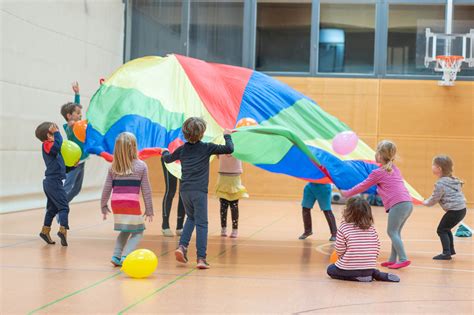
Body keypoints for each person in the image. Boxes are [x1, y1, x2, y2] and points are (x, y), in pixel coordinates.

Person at [162, 117, 233, 269]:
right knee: (202, 223)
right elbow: (229, 149)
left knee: (191, 218)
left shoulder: (182, 149)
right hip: (199, 192)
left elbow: (167, 159)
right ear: (202, 133)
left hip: (185, 191)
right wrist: (227, 135)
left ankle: (182, 247)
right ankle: (201, 258)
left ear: (184, 133)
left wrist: (165, 151)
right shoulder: (207, 147)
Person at [342, 140, 413, 269]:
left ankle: (403, 259)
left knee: (392, 232)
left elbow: (363, 185)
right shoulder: (395, 169)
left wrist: (347, 193)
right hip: (407, 203)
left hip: (398, 204)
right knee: (396, 232)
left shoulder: (378, 172)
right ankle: (393, 259)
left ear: (380, 155)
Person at [101, 132, 154, 266]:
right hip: (131, 204)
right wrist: (149, 209)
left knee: (125, 230)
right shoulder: (141, 166)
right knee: (138, 232)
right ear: (134, 147)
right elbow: (146, 190)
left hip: (116, 203)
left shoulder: (113, 167)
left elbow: (107, 188)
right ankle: (126, 256)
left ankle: (116, 256)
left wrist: (103, 205)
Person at [327, 197, 400, 283]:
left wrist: (341, 258)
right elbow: (376, 247)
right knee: (369, 270)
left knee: (330, 269)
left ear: (347, 212)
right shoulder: (371, 228)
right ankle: (375, 274)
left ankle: (357, 277)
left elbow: (340, 249)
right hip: (369, 267)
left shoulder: (344, 227)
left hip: (349, 268)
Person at [423, 155, 467, 260]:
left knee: (441, 229)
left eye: (433, 165)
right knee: (446, 229)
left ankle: (446, 253)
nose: (432, 167)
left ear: (439, 169)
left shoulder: (440, 183)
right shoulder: (453, 179)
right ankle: (450, 251)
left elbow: (435, 198)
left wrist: (426, 203)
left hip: (455, 211)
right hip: (461, 209)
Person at [35, 122, 70, 246]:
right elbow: (57, 147)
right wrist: (57, 133)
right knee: (64, 207)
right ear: (48, 136)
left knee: (52, 209)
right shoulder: (47, 145)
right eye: (54, 132)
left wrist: (71, 167)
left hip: (53, 182)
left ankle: (45, 231)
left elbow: (59, 167)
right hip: (52, 182)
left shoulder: (52, 148)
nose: (56, 133)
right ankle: (63, 230)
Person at [60, 81, 89, 202]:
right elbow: (72, 123)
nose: (80, 115)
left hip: (82, 161)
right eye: (78, 114)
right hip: (74, 162)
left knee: (77, 189)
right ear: (69, 116)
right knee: (67, 187)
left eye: (80, 113)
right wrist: (72, 124)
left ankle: (61, 204)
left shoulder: (78, 124)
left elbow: (75, 107)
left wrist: (77, 93)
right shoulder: (70, 127)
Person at [216, 154, 248, 238]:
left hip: (234, 177)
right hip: (223, 176)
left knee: (234, 205)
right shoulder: (221, 145)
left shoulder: (238, 146)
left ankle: (235, 229)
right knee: (223, 205)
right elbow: (217, 154)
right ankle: (223, 228)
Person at [161, 157, 185, 237]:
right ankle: (165, 226)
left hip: (184, 156)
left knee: (183, 192)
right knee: (170, 190)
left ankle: (180, 226)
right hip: (170, 157)